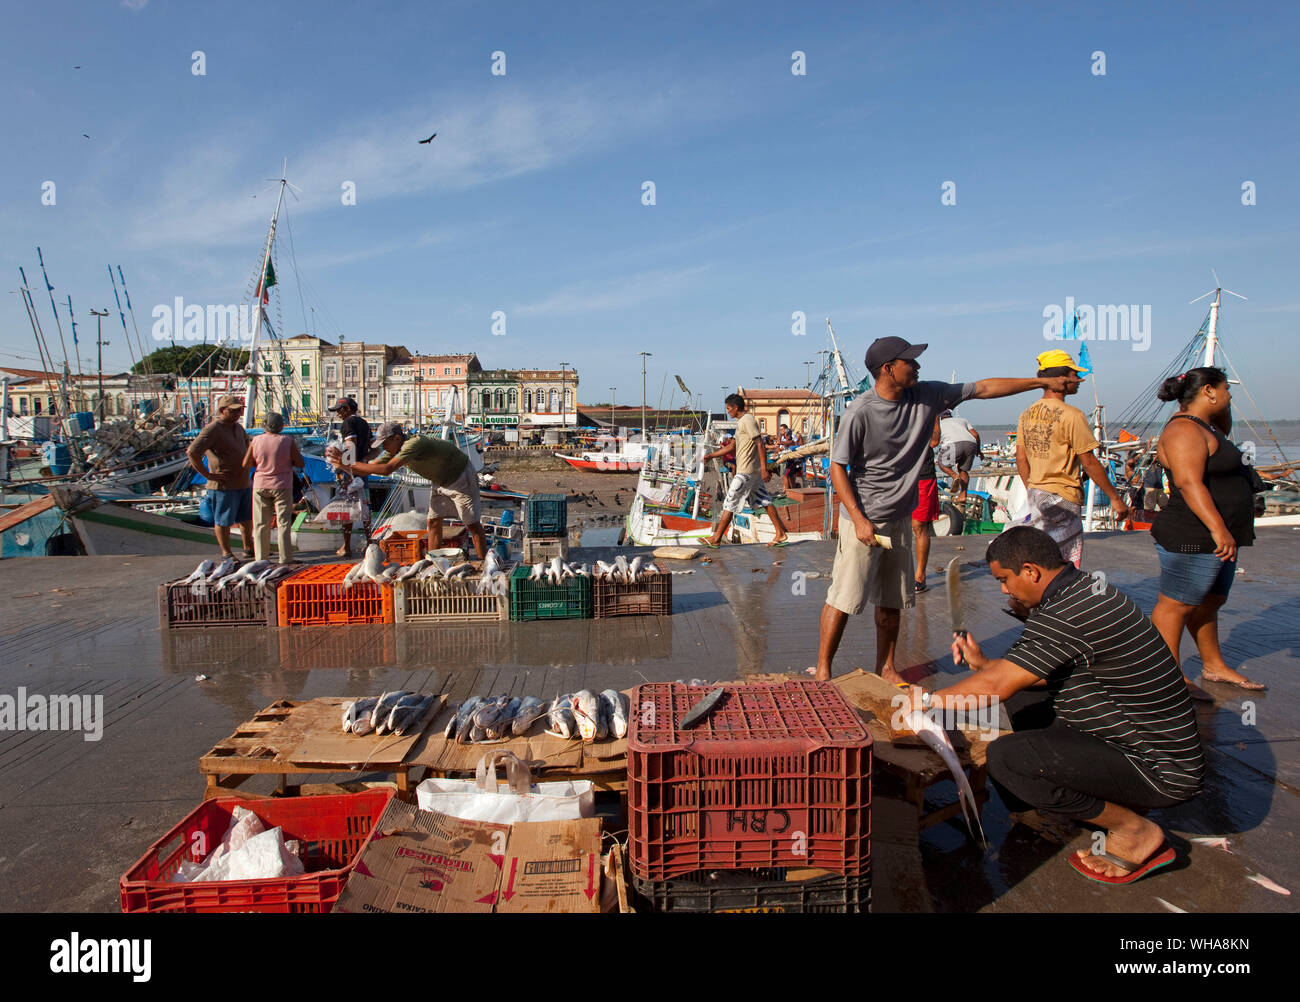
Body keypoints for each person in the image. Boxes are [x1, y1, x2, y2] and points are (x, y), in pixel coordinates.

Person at [910, 526, 1203, 884]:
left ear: (1031, 571)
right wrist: (986, 665)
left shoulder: (1069, 612)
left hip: (1160, 770)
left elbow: (997, 687)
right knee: (1024, 690)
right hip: (1131, 738)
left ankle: (1133, 829)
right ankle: (1073, 798)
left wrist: (924, 701)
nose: (1004, 591)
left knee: (1005, 757)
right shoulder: (1076, 593)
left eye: (1005, 580)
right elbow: (1023, 674)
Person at [815, 336, 1076, 683]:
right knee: (844, 598)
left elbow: (983, 388)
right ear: (888, 369)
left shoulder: (928, 394)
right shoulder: (859, 413)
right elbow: (838, 467)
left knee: (893, 602)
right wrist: (860, 521)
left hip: (899, 518)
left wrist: (1039, 382)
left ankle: (887, 667)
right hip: (862, 520)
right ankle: (822, 670)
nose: (918, 367)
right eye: (910, 361)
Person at [1150, 367, 1263, 698]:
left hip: (1218, 536)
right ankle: (1166, 677)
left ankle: (1214, 665)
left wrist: (1226, 531)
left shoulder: (1206, 427)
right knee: (1176, 605)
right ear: (1209, 391)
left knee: (1209, 602)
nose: (1230, 395)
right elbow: (1188, 482)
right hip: (1194, 533)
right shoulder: (1184, 431)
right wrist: (1218, 529)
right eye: (1226, 390)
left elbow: (1223, 432)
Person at [1014, 349, 1131, 567]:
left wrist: (1031, 489)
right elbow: (1089, 462)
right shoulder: (1072, 415)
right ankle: (1062, 598)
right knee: (1066, 559)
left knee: (1043, 555)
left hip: (1037, 493)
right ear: (1061, 379)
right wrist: (1115, 498)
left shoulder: (1027, 414)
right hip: (1064, 495)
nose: (1079, 380)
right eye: (1074, 375)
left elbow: (1021, 458)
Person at [333, 421, 487, 559]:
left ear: (397, 439)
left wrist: (346, 464)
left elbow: (387, 469)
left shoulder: (413, 444)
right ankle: (434, 562)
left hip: (460, 475)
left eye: (384, 443)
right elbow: (369, 469)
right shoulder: (394, 451)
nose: (382, 447)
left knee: (471, 523)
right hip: (440, 480)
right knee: (433, 521)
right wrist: (345, 465)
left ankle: (483, 562)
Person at [700, 394, 789, 548]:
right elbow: (732, 446)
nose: (728, 412)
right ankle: (780, 533)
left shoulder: (747, 420)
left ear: (735, 407)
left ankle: (716, 538)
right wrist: (711, 455)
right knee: (764, 501)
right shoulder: (741, 423)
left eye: (728, 408)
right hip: (750, 472)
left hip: (746, 472)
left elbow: (759, 443)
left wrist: (764, 468)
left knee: (730, 500)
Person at [186, 394, 253, 559]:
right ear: (223, 410)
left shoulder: (238, 428)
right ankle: (226, 552)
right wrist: (208, 475)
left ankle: (248, 547)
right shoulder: (212, 429)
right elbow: (192, 452)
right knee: (223, 520)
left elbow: (248, 448)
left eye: (239, 411)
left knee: (246, 518)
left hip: (243, 482)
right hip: (224, 485)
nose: (237, 414)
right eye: (233, 411)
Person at [243, 411, 304, 564]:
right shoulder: (287, 440)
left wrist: (260, 464)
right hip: (282, 485)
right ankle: (285, 558)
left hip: (260, 485)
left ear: (264, 424)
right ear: (281, 425)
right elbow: (300, 463)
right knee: (283, 522)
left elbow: (246, 463)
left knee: (260, 524)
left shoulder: (256, 440)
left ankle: (261, 559)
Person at [329, 397, 373, 557]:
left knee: (348, 508)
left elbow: (351, 445)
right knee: (365, 507)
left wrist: (348, 468)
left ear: (347, 409)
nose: (338, 414)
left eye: (339, 410)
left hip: (350, 472)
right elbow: (374, 447)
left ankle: (346, 546)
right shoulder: (364, 424)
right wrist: (364, 461)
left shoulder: (348, 423)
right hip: (363, 471)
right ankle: (370, 543)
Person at [911, 415, 942, 592]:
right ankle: (899, 573)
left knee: (919, 525)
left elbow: (934, 441)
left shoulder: (928, 410)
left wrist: (935, 417)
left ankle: (920, 576)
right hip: (900, 475)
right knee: (897, 526)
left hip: (923, 475)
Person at [936, 409, 980, 503]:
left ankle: (954, 476)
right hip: (971, 444)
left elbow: (935, 441)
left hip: (952, 444)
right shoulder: (963, 420)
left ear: (940, 417)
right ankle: (963, 496)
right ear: (950, 415)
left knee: (942, 463)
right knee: (963, 470)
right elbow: (975, 435)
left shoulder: (938, 424)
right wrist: (978, 450)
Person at [778, 424, 798, 490]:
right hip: (790, 460)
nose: (781, 431)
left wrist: (780, 435)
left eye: (782, 430)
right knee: (790, 476)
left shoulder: (791, 440)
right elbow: (780, 447)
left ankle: (787, 491)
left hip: (792, 460)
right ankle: (792, 491)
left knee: (785, 475)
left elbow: (779, 443)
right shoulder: (787, 440)